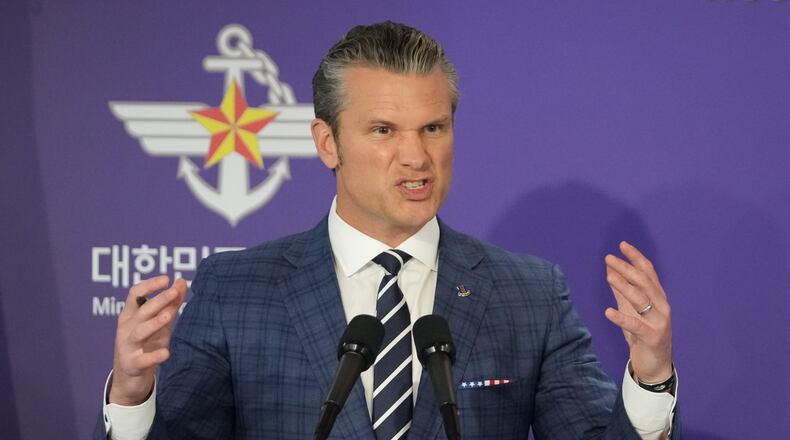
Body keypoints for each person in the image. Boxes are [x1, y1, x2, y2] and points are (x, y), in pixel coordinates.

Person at [97, 21, 680, 439]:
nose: (416, 157)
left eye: (433, 127)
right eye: (383, 130)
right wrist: (131, 395)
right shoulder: (236, 288)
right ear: (328, 143)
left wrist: (650, 380)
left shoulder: (528, 293)